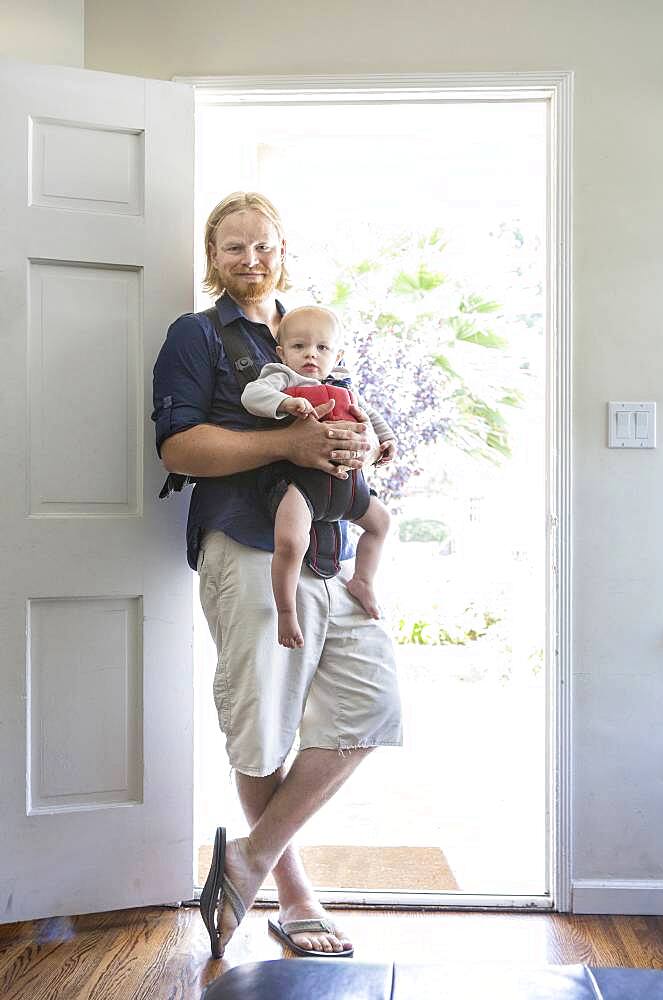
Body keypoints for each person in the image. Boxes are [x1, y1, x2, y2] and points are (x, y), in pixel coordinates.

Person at [152, 192, 402, 960]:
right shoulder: (195, 336)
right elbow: (180, 450)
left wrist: (361, 448)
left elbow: (347, 420)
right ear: (212, 256)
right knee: (261, 731)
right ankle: (294, 896)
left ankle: (247, 861)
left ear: (283, 249)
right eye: (234, 248)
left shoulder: (307, 331)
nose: (251, 260)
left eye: (263, 246)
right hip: (249, 550)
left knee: (370, 705)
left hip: (328, 547)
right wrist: (288, 446)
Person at [241, 303, 395, 648]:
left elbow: (368, 414)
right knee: (292, 541)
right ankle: (285, 611)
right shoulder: (282, 377)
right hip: (303, 487)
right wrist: (284, 404)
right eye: (299, 347)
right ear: (282, 352)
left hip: (348, 488)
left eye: (321, 348)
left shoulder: (343, 385)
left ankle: (363, 581)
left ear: (336, 354)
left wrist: (385, 440)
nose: (310, 355)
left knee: (381, 523)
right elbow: (252, 396)